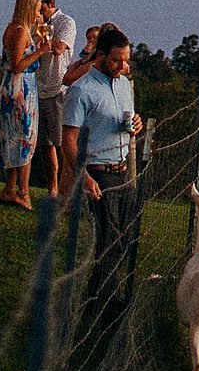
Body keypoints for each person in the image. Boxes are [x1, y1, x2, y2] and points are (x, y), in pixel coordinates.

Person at [58, 24, 141, 345]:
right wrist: (84, 176)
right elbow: (68, 138)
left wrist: (135, 123)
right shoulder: (82, 90)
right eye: (117, 60)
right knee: (108, 240)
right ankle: (110, 310)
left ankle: (91, 302)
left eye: (126, 60)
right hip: (99, 171)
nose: (123, 66)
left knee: (120, 238)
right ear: (101, 55)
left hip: (122, 170)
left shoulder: (123, 86)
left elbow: (128, 118)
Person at [0, 0, 46, 210]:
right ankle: (23, 192)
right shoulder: (19, 31)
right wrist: (40, 51)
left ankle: (10, 188)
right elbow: (17, 65)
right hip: (19, 88)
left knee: (16, 138)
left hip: (22, 87)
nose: (39, 14)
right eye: (36, 9)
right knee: (24, 138)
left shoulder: (20, 30)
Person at [31, 0, 77, 196]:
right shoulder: (35, 24)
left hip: (58, 87)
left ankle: (68, 188)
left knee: (61, 142)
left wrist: (43, 28)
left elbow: (58, 49)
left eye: (41, 8)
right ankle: (52, 187)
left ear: (50, 3)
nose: (38, 12)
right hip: (38, 86)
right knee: (44, 144)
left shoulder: (65, 22)